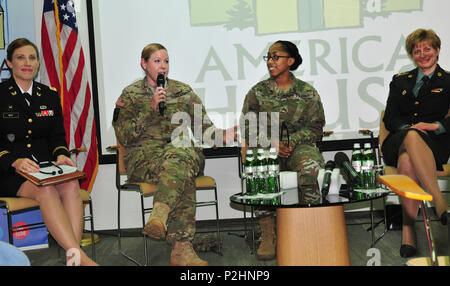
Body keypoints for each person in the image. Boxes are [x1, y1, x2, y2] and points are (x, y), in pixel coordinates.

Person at [112, 43, 236, 266]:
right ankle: (181, 250)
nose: (163, 66)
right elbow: (124, 136)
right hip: (145, 158)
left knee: (180, 154)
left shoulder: (183, 92)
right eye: (157, 61)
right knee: (182, 168)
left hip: (180, 153)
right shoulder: (129, 95)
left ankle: (160, 215)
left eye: (166, 61)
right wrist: (150, 110)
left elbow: (203, 130)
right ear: (144, 64)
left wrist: (221, 137)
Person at [0, 38, 97, 266]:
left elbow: (56, 136)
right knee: (46, 192)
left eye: (32, 57)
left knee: (71, 184)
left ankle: (73, 257)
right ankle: (79, 257)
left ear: (38, 63)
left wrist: (61, 154)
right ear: (9, 62)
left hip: (44, 169)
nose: (27, 63)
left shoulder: (48, 95)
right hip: (9, 172)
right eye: (20, 57)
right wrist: (14, 161)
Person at [240, 40, 325, 260]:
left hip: (298, 147)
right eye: (268, 57)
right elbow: (248, 126)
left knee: (310, 166)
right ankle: (268, 233)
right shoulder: (257, 92)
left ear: (291, 61)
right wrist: (271, 142)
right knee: (259, 170)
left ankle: (309, 226)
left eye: (275, 57)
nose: (270, 61)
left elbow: (316, 127)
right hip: (267, 149)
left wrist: (292, 140)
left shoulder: (307, 92)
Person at [382, 28, 450, 258]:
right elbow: (390, 118)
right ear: (412, 55)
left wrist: (433, 126)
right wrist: (409, 129)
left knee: (407, 161)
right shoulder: (400, 81)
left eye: (427, 49)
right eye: (416, 51)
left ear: (437, 50)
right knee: (410, 138)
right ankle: (439, 203)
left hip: (434, 144)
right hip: (398, 139)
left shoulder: (449, 81)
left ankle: (408, 230)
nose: (422, 54)